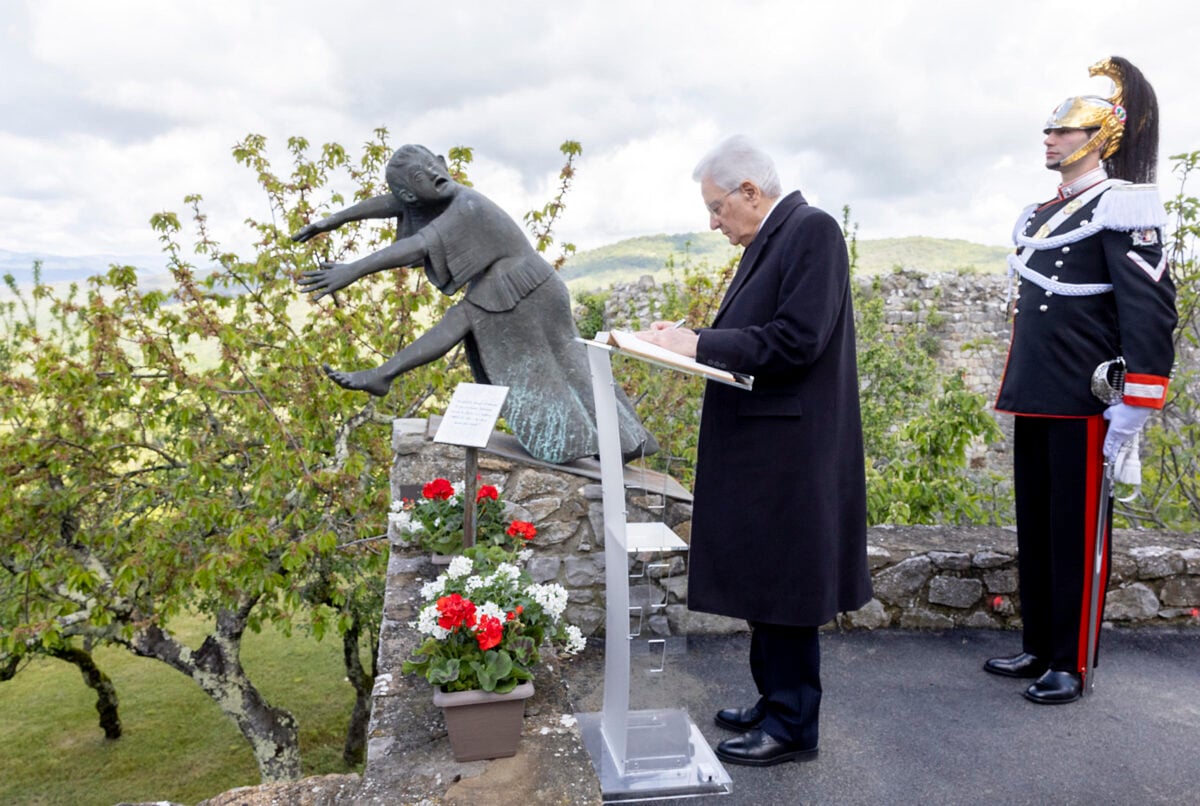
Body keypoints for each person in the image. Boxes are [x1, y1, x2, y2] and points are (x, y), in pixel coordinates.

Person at [637, 135, 872, 766]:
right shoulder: (774, 236)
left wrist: (698, 344)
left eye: (718, 208)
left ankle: (795, 726)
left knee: (788, 586)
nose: (713, 222)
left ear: (750, 191)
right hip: (769, 443)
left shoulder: (812, 231)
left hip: (791, 449)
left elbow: (797, 339)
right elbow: (758, 332)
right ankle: (774, 701)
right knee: (769, 581)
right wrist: (689, 340)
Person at [989, 57, 1176, 704]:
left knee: (1076, 535)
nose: (1050, 138)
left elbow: (1149, 311)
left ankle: (1071, 660)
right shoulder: (1047, 213)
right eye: (1050, 129)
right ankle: (1040, 645)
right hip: (1040, 394)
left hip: (1085, 399)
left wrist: (1136, 404)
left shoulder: (1123, 207)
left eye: (1064, 130)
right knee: (1037, 530)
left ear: (1099, 138)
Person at [293, 144, 657, 465]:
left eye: (432, 169)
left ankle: (383, 374)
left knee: (558, 359)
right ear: (412, 192)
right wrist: (334, 220)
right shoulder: (437, 198)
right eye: (421, 178)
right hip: (515, 282)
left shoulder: (466, 204)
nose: (434, 176)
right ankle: (623, 441)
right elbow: (393, 203)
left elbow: (418, 245)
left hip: (523, 286)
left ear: (440, 163)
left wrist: (353, 270)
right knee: (564, 361)